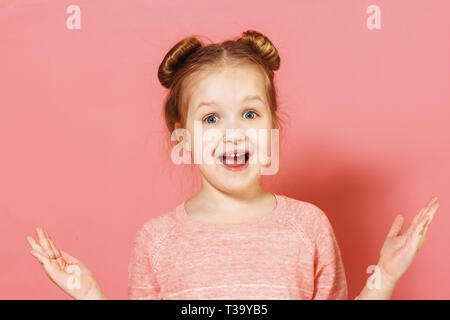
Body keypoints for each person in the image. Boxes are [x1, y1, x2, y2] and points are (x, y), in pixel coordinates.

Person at [26, 30, 440, 300]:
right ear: (181, 135)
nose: (233, 134)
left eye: (249, 114)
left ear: (272, 124)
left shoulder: (308, 226)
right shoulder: (157, 239)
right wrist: (91, 295)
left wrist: (383, 278)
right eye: (210, 119)